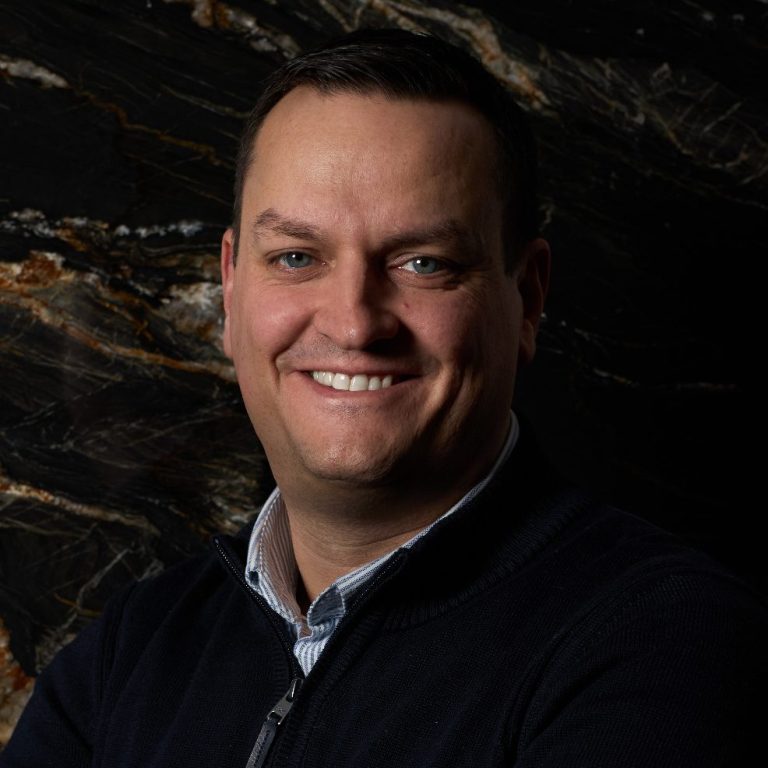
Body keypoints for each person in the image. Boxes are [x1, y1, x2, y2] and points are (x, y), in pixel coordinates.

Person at [2, 28, 765, 768]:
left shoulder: (662, 641)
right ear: (230, 288)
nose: (354, 323)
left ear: (527, 299)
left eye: (423, 263)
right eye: (296, 257)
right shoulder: (128, 654)